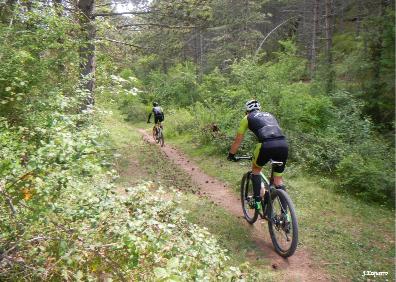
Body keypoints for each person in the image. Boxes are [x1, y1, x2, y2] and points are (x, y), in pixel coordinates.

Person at [227, 99, 288, 213]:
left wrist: (231, 155)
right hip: (283, 144)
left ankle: (257, 202)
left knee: (256, 170)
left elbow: (238, 140)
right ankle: (285, 215)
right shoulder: (270, 115)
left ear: (247, 111)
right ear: (259, 108)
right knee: (278, 180)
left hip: (266, 145)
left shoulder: (247, 118)